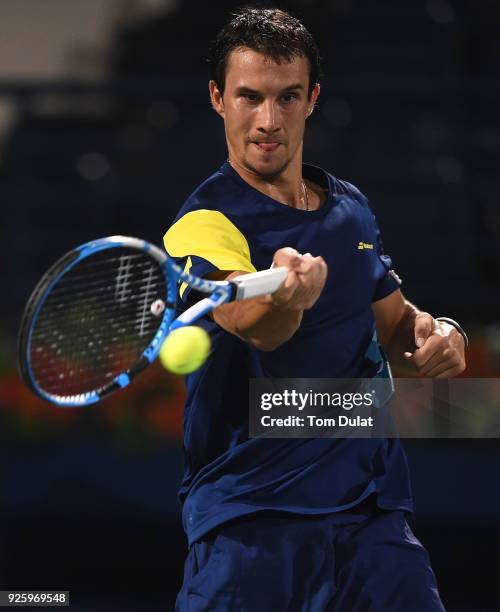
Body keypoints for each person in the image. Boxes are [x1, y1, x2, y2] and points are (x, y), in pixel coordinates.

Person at [163, 7, 466, 611]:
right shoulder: (204, 223)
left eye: (287, 97)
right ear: (218, 98)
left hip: (371, 519)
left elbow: (398, 326)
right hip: (251, 524)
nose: (268, 121)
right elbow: (254, 326)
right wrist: (287, 301)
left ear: (312, 99)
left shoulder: (350, 210)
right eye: (249, 97)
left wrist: (441, 337)